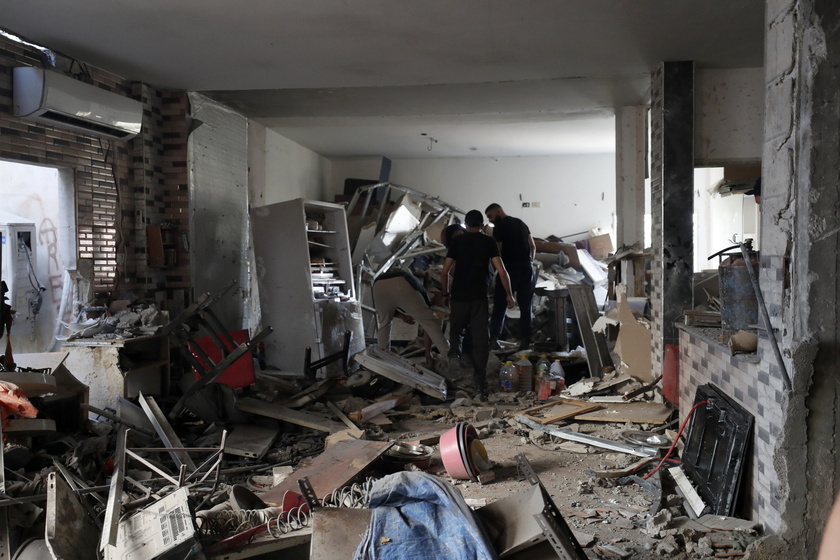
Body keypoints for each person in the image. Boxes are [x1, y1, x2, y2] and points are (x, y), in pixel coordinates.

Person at [440, 210, 515, 399]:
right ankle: (480, 381)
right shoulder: (488, 242)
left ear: (466, 225)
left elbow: (445, 272)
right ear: (481, 225)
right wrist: (508, 294)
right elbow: (502, 271)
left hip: (458, 297)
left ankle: (454, 356)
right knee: (480, 340)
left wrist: (445, 293)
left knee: (456, 330)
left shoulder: (457, 242)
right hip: (479, 298)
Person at [485, 203, 536, 350]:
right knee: (526, 308)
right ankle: (525, 342)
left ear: (499, 211)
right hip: (526, 269)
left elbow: (497, 252)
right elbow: (533, 246)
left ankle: (493, 339)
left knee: (500, 306)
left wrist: (495, 270)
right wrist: (530, 262)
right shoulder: (521, 223)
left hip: (508, 271)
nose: (490, 220)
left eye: (491, 216)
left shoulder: (499, 228)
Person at [372, 269, 449, 364]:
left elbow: (388, 309)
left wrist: (403, 316)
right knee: (431, 323)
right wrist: (428, 353)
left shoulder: (413, 285)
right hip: (402, 282)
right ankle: (448, 356)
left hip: (377, 286)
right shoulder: (419, 288)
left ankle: (383, 359)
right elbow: (428, 326)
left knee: (384, 323)